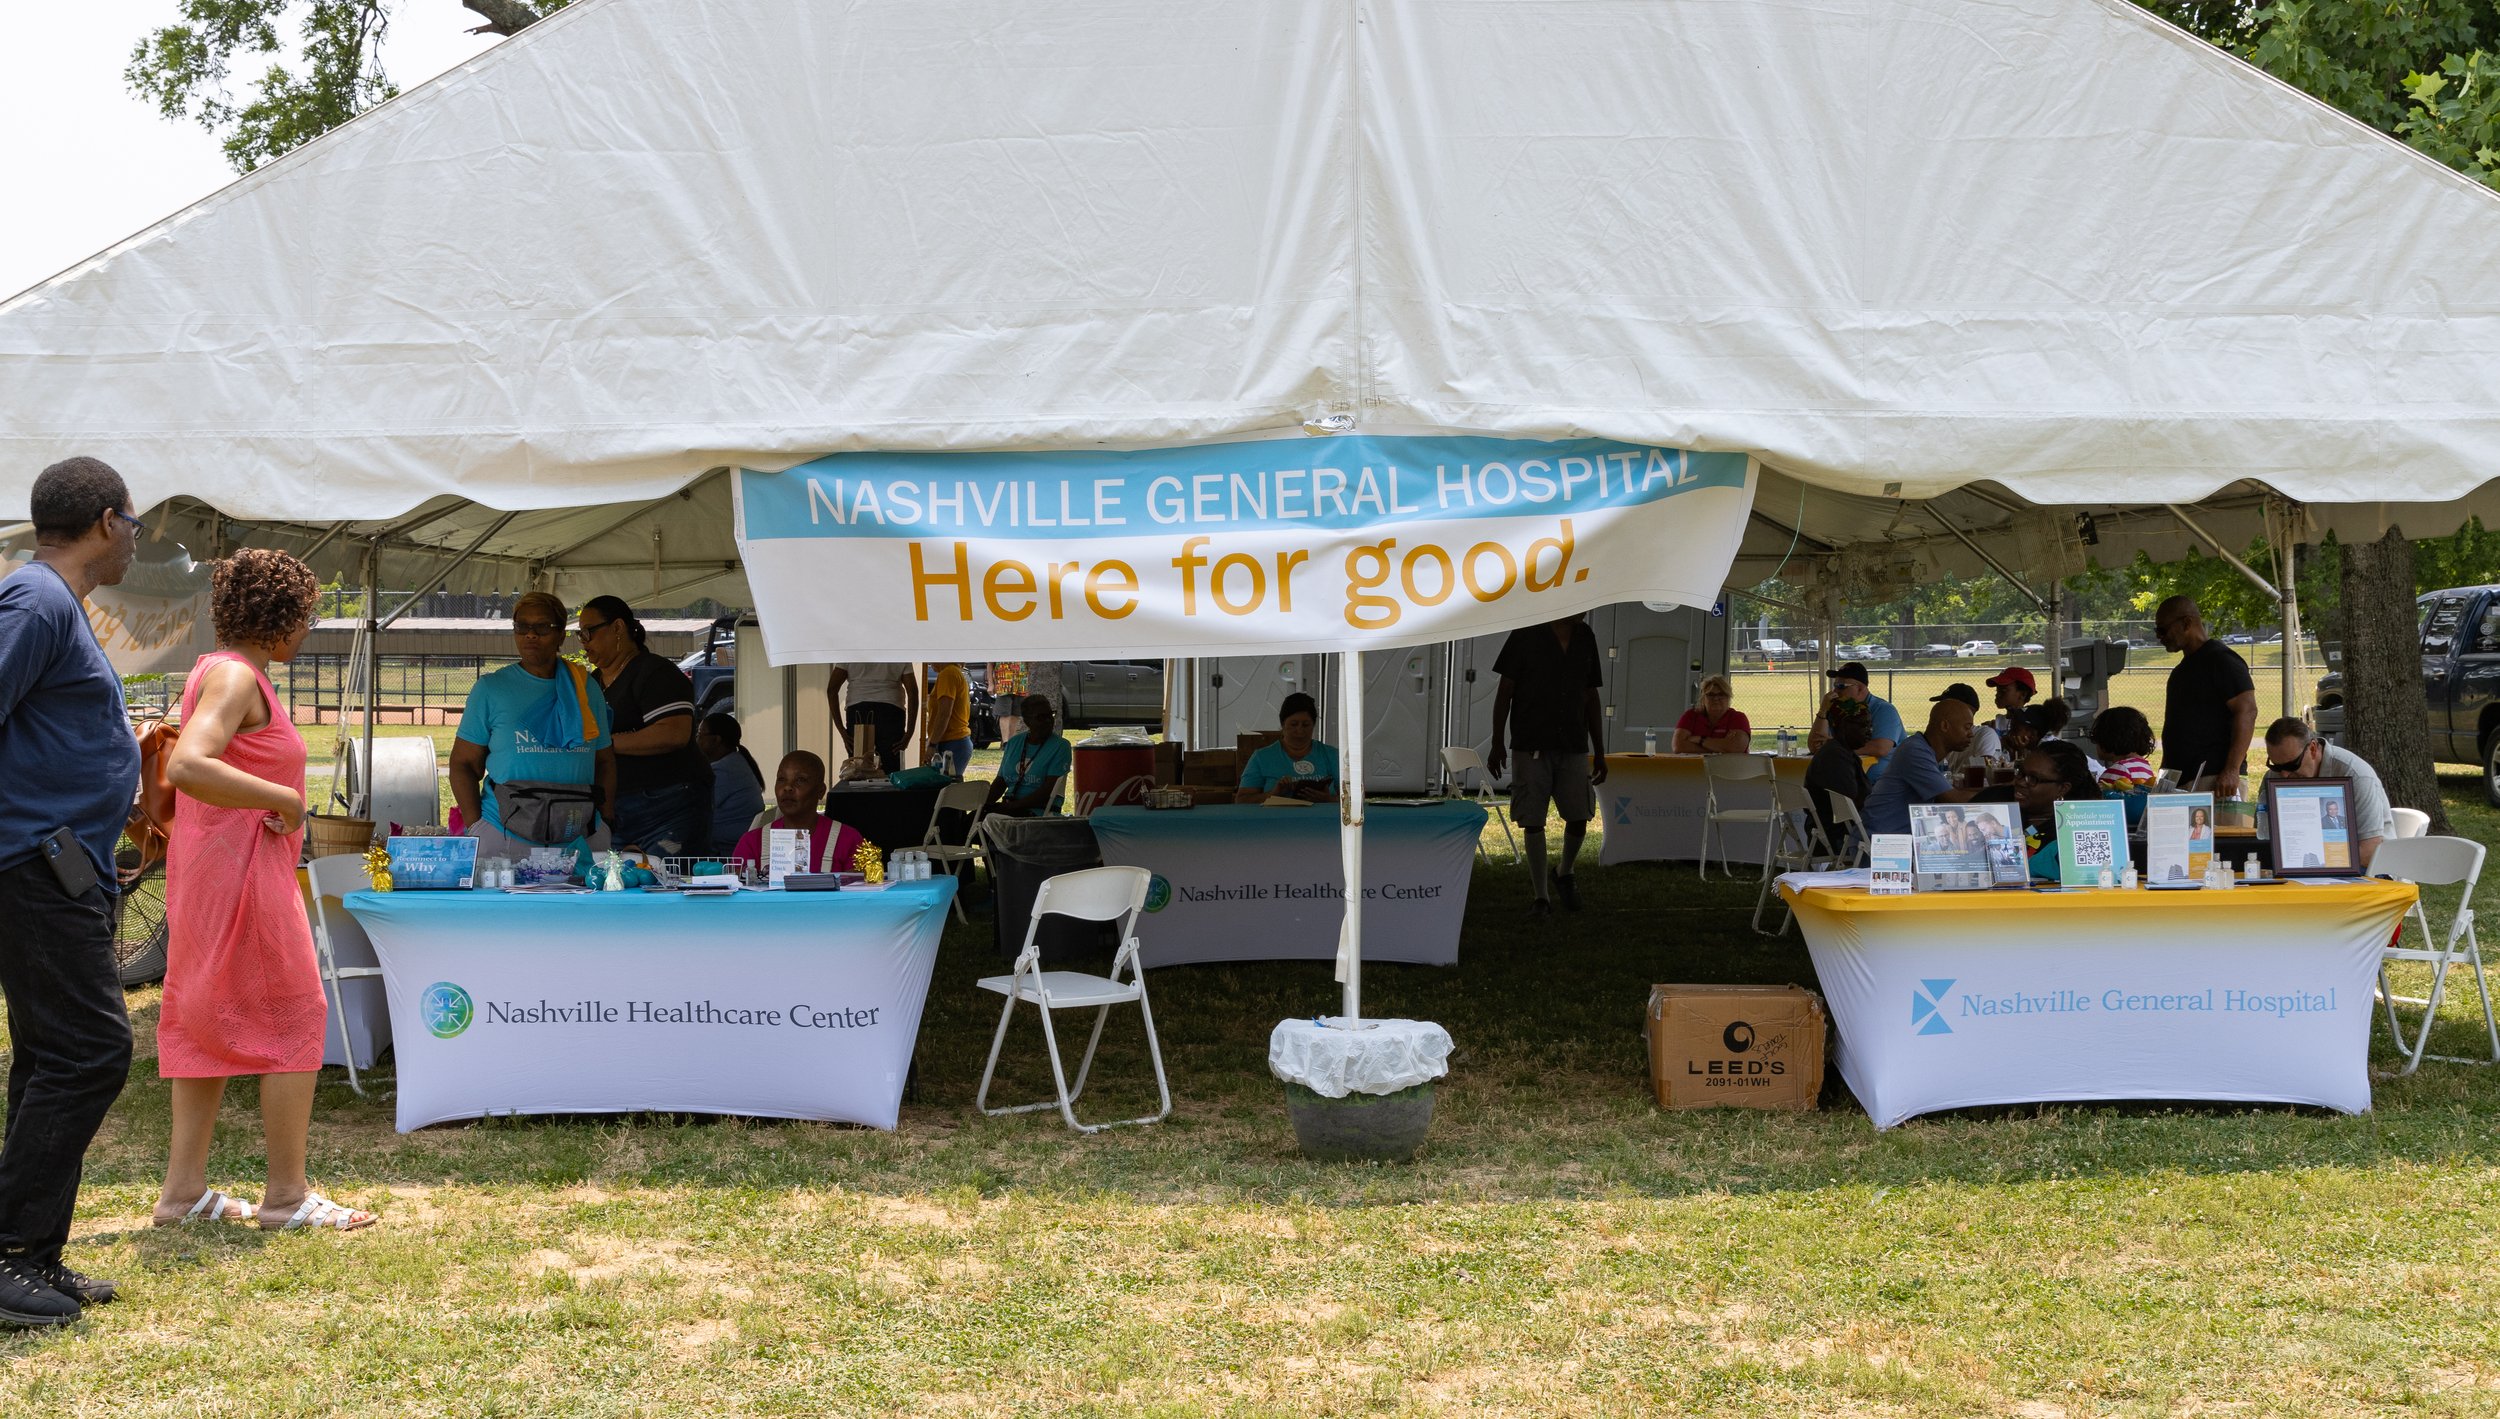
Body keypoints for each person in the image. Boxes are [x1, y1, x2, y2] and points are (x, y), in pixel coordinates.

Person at [159, 548, 376, 1236]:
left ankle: (182, 1192)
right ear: (279, 618)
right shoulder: (235, 675)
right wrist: (284, 795)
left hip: (208, 870)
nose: (307, 631)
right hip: (242, 873)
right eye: (306, 617)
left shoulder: (212, 668)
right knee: (297, 1010)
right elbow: (188, 762)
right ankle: (286, 1195)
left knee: (206, 1016)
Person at [0, 457, 143, 1326]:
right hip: (32, 866)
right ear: (102, 519)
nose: (135, 537)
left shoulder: (56, 604)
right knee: (93, 1050)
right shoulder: (37, 599)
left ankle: (35, 1255)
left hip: (62, 866)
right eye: (132, 520)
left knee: (54, 1054)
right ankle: (10, 1248)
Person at [450, 593, 615, 867]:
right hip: (504, 834)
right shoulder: (492, 688)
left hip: (578, 836)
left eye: (542, 627)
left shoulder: (585, 687)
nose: (531, 635)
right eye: (521, 627)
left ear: (561, 635)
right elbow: (463, 763)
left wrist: (605, 822)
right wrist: (476, 826)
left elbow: (605, 760)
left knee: (579, 911)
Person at [1487, 614, 1608, 915]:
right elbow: (1505, 689)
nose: (1583, 611)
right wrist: (1497, 741)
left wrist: (1600, 751)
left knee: (1580, 815)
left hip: (1573, 742)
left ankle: (1564, 871)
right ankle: (1541, 896)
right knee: (1532, 819)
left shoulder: (1586, 637)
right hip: (1531, 742)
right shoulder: (1525, 633)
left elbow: (1590, 694)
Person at [578, 595, 713, 856]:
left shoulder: (655, 672)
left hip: (669, 805)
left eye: (588, 632)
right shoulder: (592, 683)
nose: (583, 641)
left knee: (668, 885)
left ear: (618, 628)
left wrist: (605, 744)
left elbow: (673, 733)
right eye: (580, 635)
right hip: (617, 808)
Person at [2156, 596, 2258, 797]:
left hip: (2215, 781)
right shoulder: (2181, 671)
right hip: (2179, 780)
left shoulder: (2222, 660)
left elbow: (2247, 711)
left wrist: (2231, 770)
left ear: (2186, 622)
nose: (2159, 637)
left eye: (2163, 630)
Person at [2262, 717, 2394, 869]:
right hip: (2300, 866)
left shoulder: (2356, 775)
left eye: (2292, 765)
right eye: (2275, 766)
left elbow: (2369, 853)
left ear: (2312, 748)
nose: (2284, 775)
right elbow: (2263, 837)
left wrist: (2315, 862)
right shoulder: (2274, 776)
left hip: (2368, 870)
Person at [1862, 696, 1979, 835]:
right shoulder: (1915, 751)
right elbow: (1954, 799)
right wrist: (2003, 792)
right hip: (1883, 842)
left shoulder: (1919, 747)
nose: (1971, 734)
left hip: (1883, 834)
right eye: (1967, 728)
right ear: (1945, 726)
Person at [732, 750, 863, 875]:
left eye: (800, 780)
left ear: (821, 791)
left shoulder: (848, 839)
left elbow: (861, 894)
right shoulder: (752, 842)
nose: (787, 787)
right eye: (781, 779)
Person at [2015, 742, 2106, 878]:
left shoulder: (2070, 835)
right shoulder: (2002, 808)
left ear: (2062, 788)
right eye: (2020, 772)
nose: (2020, 782)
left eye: (2032, 779)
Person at [1237, 692, 1339, 804]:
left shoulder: (1331, 755)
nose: (1300, 731)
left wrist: (1328, 799)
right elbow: (1242, 800)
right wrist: (1273, 795)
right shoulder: (1261, 757)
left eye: (1305, 725)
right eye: (1294, 724)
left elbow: (1356, 798)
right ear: (1282, 724)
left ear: (1313, 725)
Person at [1811, 662, 1904, 782]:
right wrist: (1823, 710)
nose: (1835, 691)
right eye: (1835, 686)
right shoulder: (1837, 709)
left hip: (1882, 784)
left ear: (1860, 688)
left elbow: (1881, 748)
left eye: (1841, 686)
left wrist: (1834, 748)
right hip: (1849, 781)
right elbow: (1815, 745)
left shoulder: (1883, 709)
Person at [1805, 695, 1871, 854]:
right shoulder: (1835, 757)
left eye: (1869, 725)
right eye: (1863, 725)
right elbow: (1852, 805)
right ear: (1843, 726)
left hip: (1834, 832)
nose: (1870, 731)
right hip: (1838, 837)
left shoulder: (1840, 752)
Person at [990, 694, 1073, 817]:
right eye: (1041, 717)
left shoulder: (1060, 746)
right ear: (1027, 721)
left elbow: (1047, 792)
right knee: (971, 820)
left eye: (1051, 715)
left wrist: (1010, 806)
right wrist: (983, 805)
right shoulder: (1014, 743)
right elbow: (1001, 781)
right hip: (1010, 807)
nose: (1048, 720)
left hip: (1037, 810)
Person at [828, 661, 917, 774]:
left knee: (859, 768)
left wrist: (841, 729)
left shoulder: (851, 651)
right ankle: (889, 790)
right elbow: (913, 692)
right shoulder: (898, 650)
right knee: (891, 769)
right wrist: (910, 731)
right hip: (891, 710)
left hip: (858, 710)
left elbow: (831, 689)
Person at [699, 711, 766, 849]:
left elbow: (694, 806)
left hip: (726, 851)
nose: (697, 740)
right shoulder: (736, 761)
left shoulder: (724, 770)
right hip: (735, 843)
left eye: (700, 734)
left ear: (716, 739)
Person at [1673, 676, 1751, 753]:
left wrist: (1700, 740)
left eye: (1721, 694)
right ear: (1703, 698)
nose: (1716, 699)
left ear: (1728, 698)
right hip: (1696, 765)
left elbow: (1736, 748)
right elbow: (1678, 746)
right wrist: (1721, 748)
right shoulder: (1690, 716)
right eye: (1710, 695)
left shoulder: (1738, 718)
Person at [921, 661, 973, 776]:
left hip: (953, 742)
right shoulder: (950, 672)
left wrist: (932, 744)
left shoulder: (948, 673)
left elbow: (944, 713)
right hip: (951, 741)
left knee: (947, 789)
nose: (929, 663)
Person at [2091, 706, 2157, 793]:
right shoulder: (2143, 766)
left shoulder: (2119, 769)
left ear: (2107, 739)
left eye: (2097, 739)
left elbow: (2102, 802)